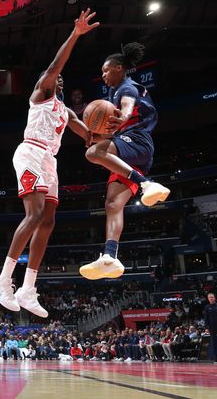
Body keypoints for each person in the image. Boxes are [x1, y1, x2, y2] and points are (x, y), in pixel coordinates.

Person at [0, 8, 99, 317]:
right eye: (53, 75)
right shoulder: (41, 94)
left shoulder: (66, 111)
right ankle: (3, 280)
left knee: (48, 222)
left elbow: (89, 133)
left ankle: (28, 288)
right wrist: (76, 34)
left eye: (61, 77)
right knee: (35, 214)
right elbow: (56, 64)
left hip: (50, 161)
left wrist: (110, 127)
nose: (58, 77)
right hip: (30, 152)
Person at [80, 43, 170, 280]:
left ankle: (145, 184)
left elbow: (128, 108)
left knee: (93, 154)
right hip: (127, 150)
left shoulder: (125, 88)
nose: (103, 76)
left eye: (106, 71)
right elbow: (111, 130)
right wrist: (92, 133)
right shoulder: (113, 93)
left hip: (137, 141)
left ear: (119, 68)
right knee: (112, 204)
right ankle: (110, 257)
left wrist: (124, 118)